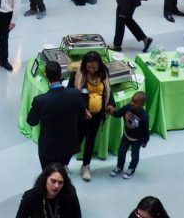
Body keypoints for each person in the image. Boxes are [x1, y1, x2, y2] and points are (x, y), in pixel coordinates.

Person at [27, 62, 85, 168]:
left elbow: (31, 121)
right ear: (61, 74)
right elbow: (82, 117)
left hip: (49, 148)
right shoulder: (75, 94)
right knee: (61, 170)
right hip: (69, 144)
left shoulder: (40, 101)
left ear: (46, 75)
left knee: (48, 176)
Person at [68, 51, 114, 182]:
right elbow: (71, 93)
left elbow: (109, 91)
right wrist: (83, 109)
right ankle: (64, 164)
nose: (92, 70)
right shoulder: (77, 74)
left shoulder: (104, 73)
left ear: (99, 65)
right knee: (76, 140)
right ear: (84, 65)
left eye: (94, 68)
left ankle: (86, 166)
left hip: (97, 116)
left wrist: (110, 104)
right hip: (81, 115)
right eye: (89, 68)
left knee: (90, 140)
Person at [15, 163, 83, 218]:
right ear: (45, 179)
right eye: (53, 181)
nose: (56, 186)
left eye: (60, 182)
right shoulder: (30, 196)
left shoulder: (70, 193)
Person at [111, 91, 150, 179]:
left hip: (137, 140)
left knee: (134, 155)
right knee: (121, 152)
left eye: (136, 103)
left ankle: (131, 169)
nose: (132, 103)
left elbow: (146, 130)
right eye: (132, 101)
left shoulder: (144, 116)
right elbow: (118, 114)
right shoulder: (128, 107)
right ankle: (119, 167)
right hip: (126, 136)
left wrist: (145, 141)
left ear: (142, 104)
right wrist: (112, 111)